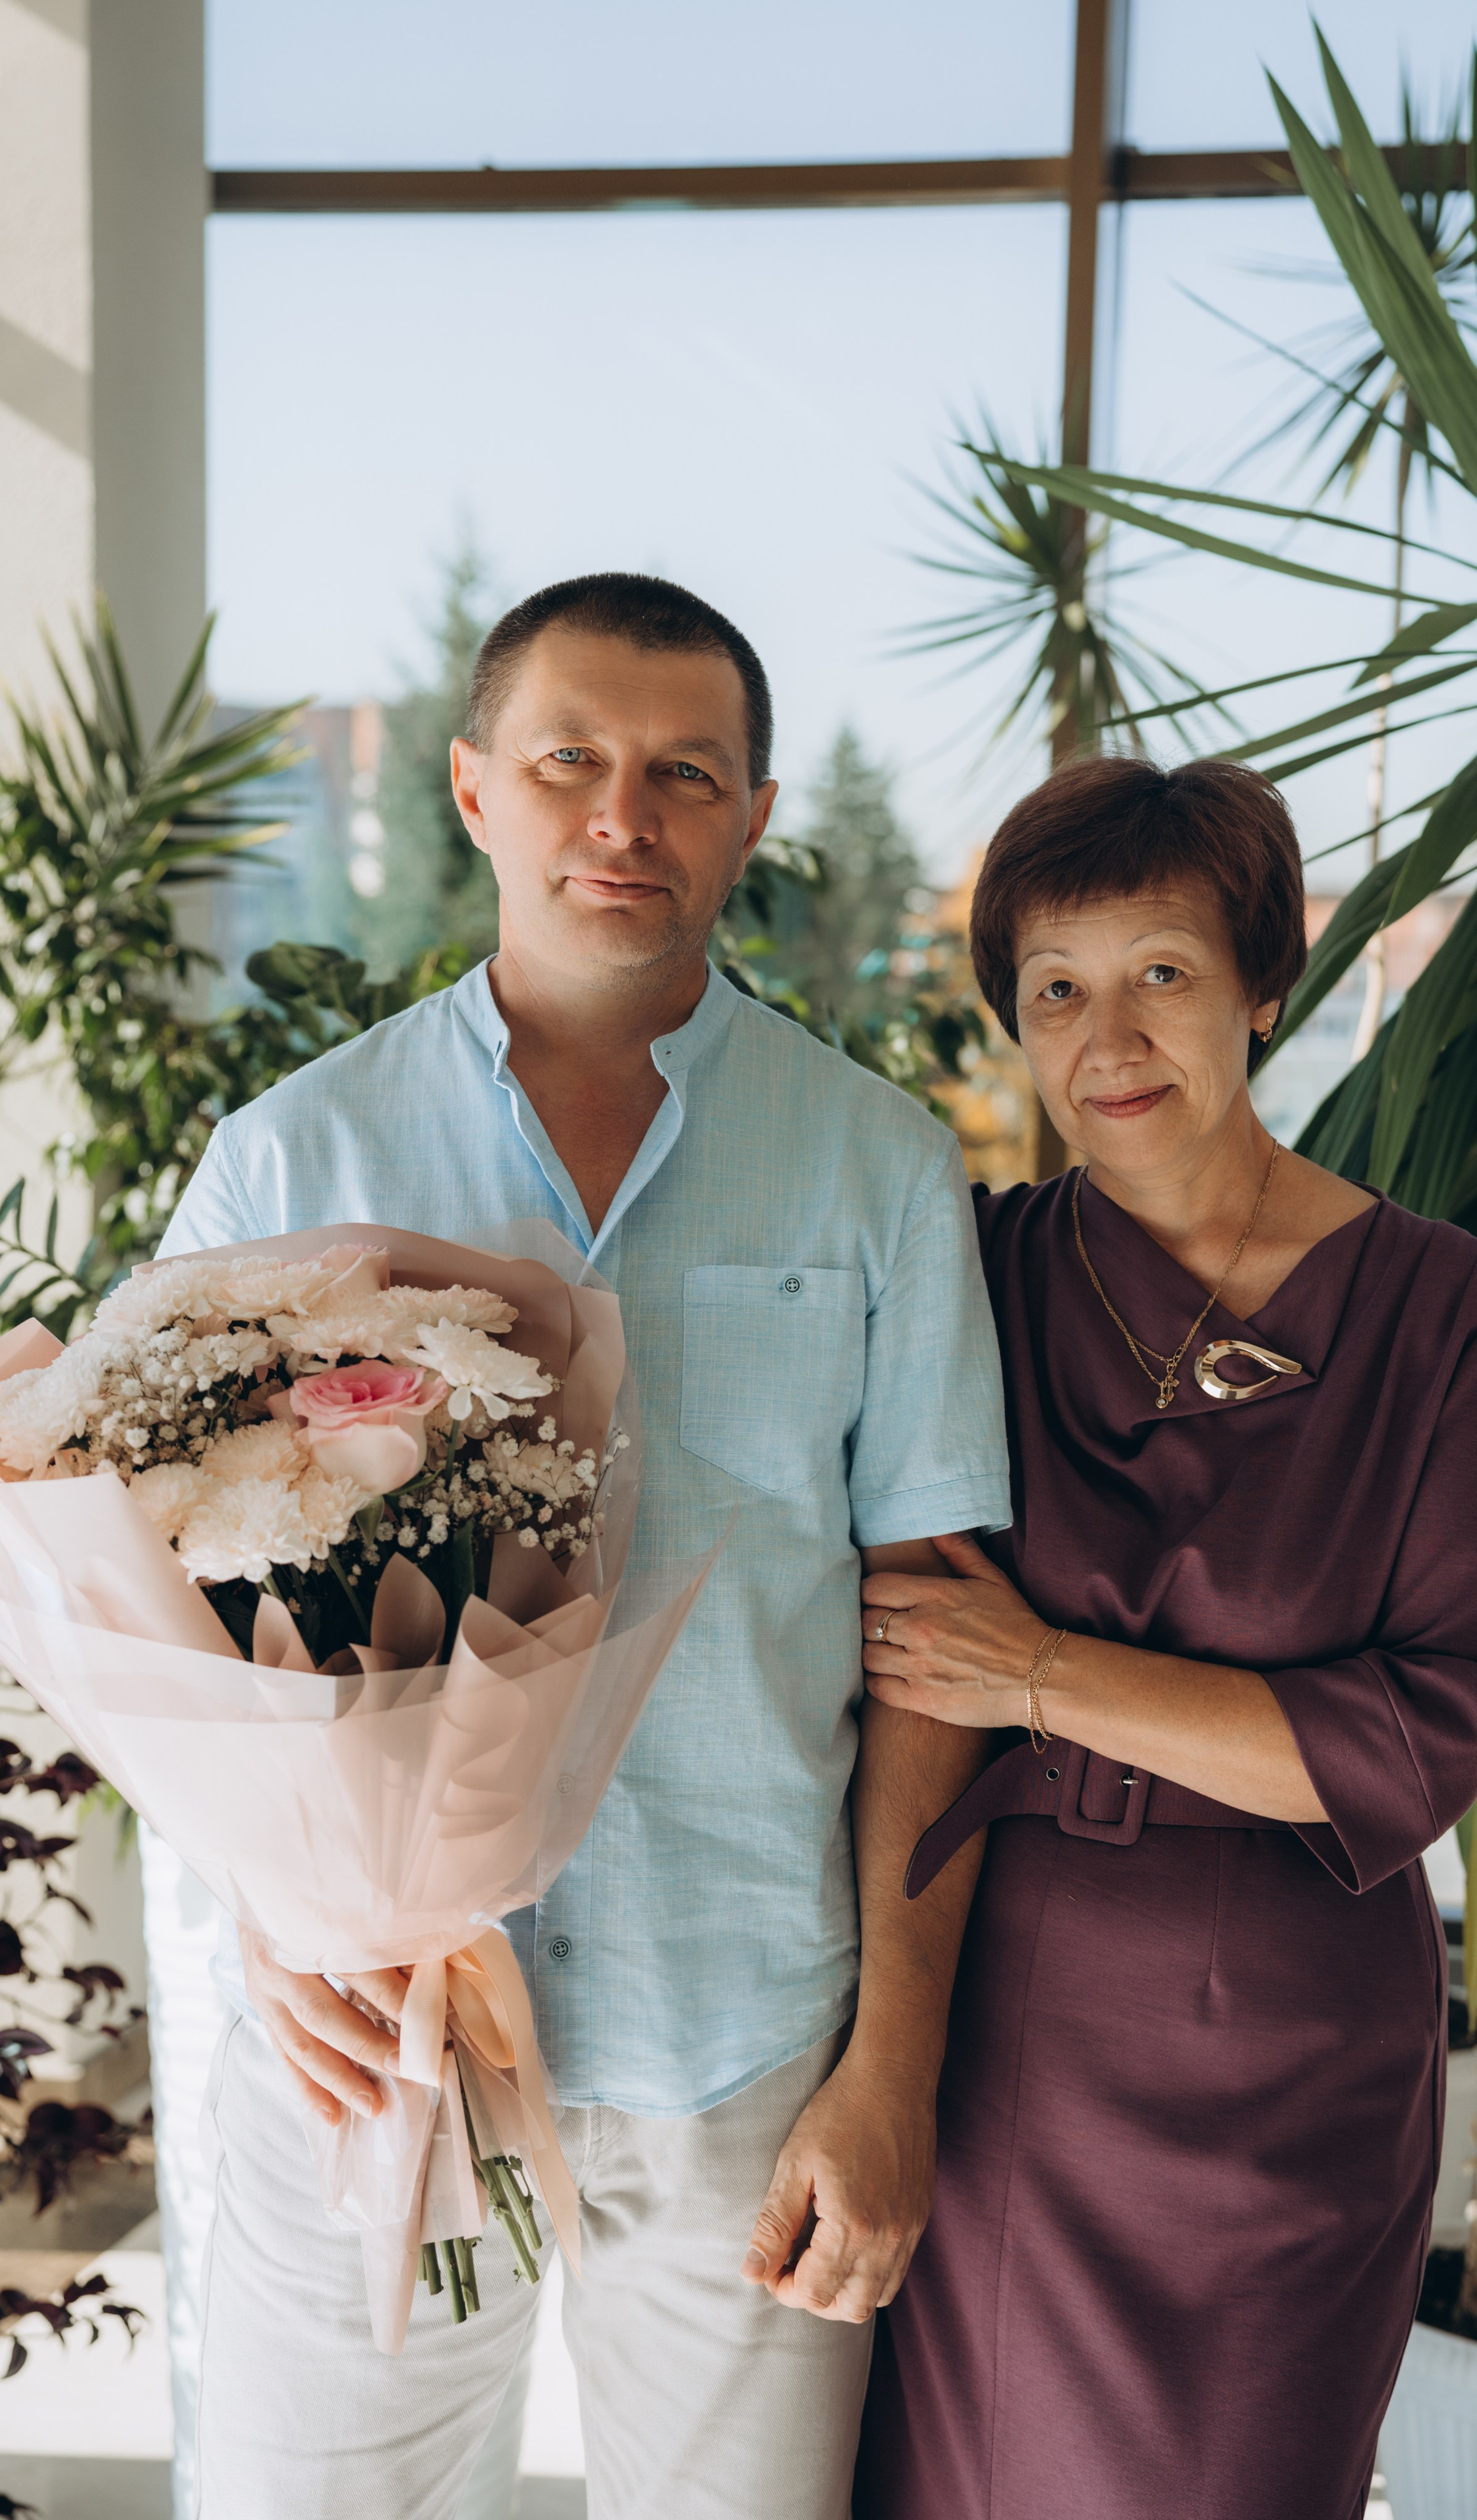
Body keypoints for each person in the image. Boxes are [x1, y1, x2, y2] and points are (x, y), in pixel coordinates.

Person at [157, 573, 1010, 2520]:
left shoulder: (878, 1165)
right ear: (475, 794)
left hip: (744, 2050)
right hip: (369, 2038)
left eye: (685, 774)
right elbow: (164, 1603)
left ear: (754, 819)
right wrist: (267, 1916)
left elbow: (938, 1639)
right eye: (571, 762)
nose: (624, 815)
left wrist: (892, 2067)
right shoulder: (292, 1162)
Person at [851, 755, 1477, 2520]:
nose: (1110, 1038)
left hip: (1296, 2045)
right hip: (1008, 2011)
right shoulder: (967, 1268)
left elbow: (1421, 1735)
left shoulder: (1449, 1309)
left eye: (1161, 972)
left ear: (1263, 982)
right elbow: (878, 1633)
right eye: (1055, 991)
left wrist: (1041, 1677)